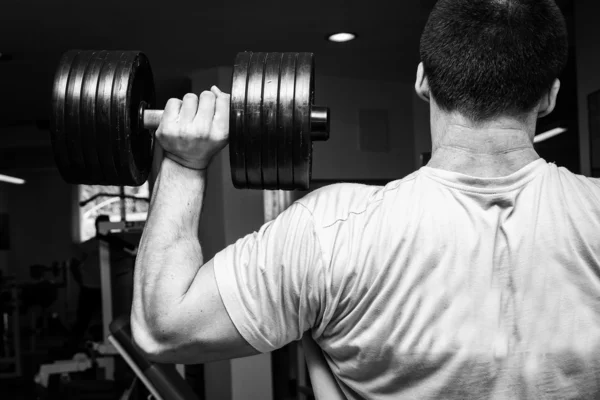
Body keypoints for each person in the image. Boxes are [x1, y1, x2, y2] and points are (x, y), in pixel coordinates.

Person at [131, 0, 600, 398]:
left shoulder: (329, 230)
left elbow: (161, 328)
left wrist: (183, 163)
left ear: (422, 81)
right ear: (550, 97)